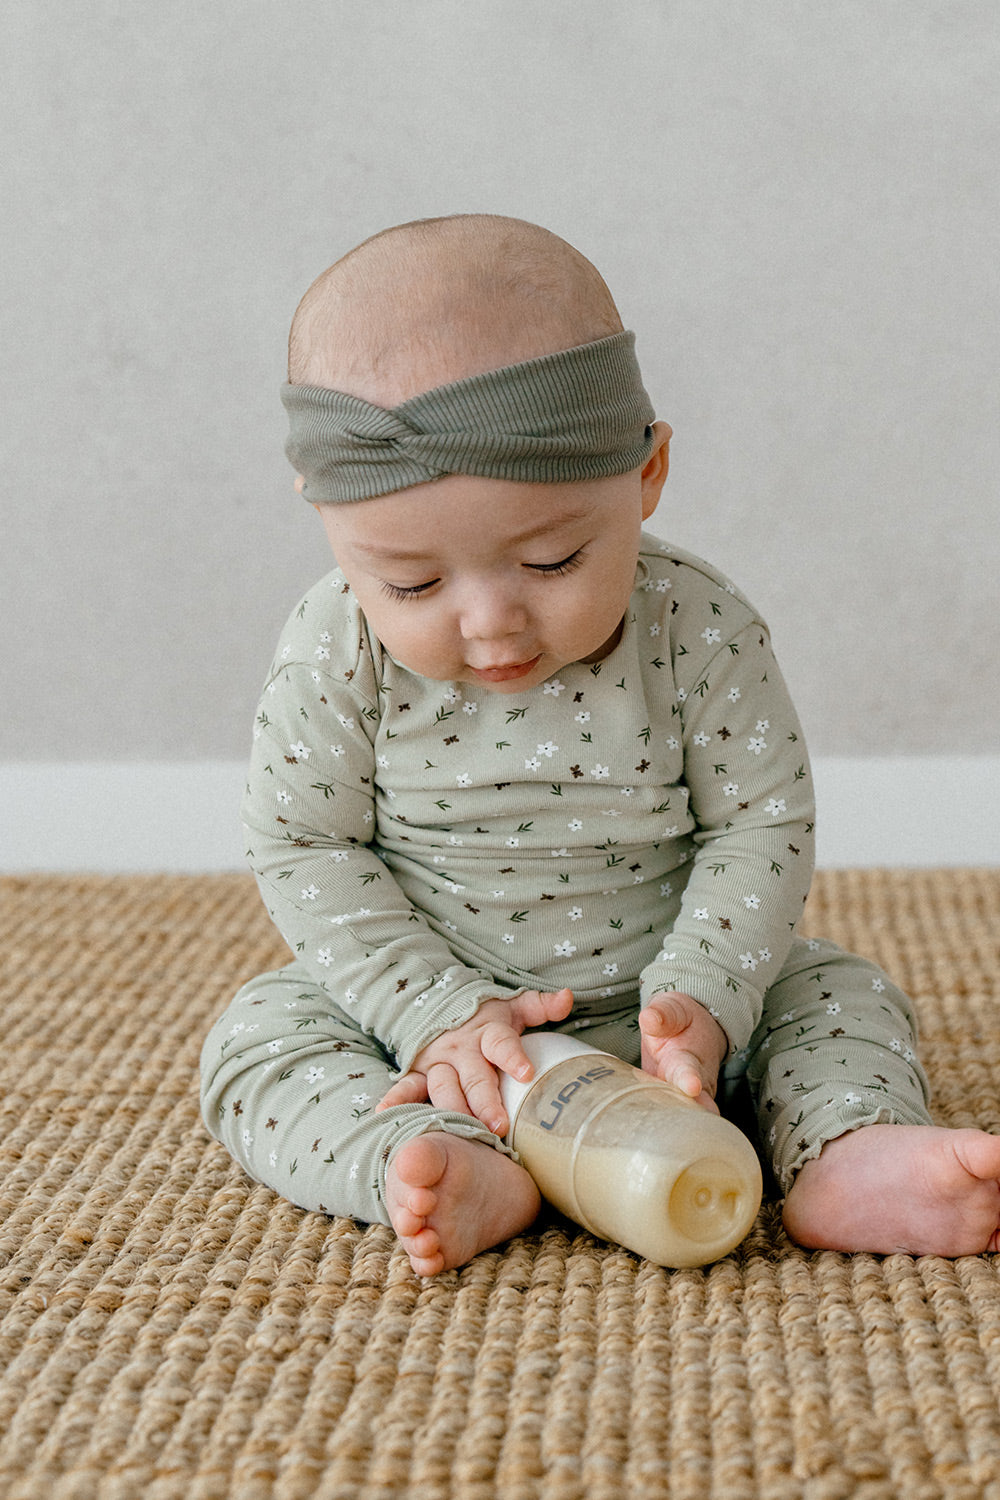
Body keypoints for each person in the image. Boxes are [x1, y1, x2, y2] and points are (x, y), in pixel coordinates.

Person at [201, 214, 1000, 1275]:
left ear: (647, 475)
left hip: (671, 1016)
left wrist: (703, 998)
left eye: (550, 561)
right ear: (323, 517)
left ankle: (841, 1151)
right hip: (441, 1035)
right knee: (257, 1042)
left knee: (840, 994)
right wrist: (436, 1013)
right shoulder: (333, 649)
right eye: (413, 583)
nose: (488, 622)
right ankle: (435, 1153)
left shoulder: (698, 629)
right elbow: (305, 845)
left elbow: (759, 820)